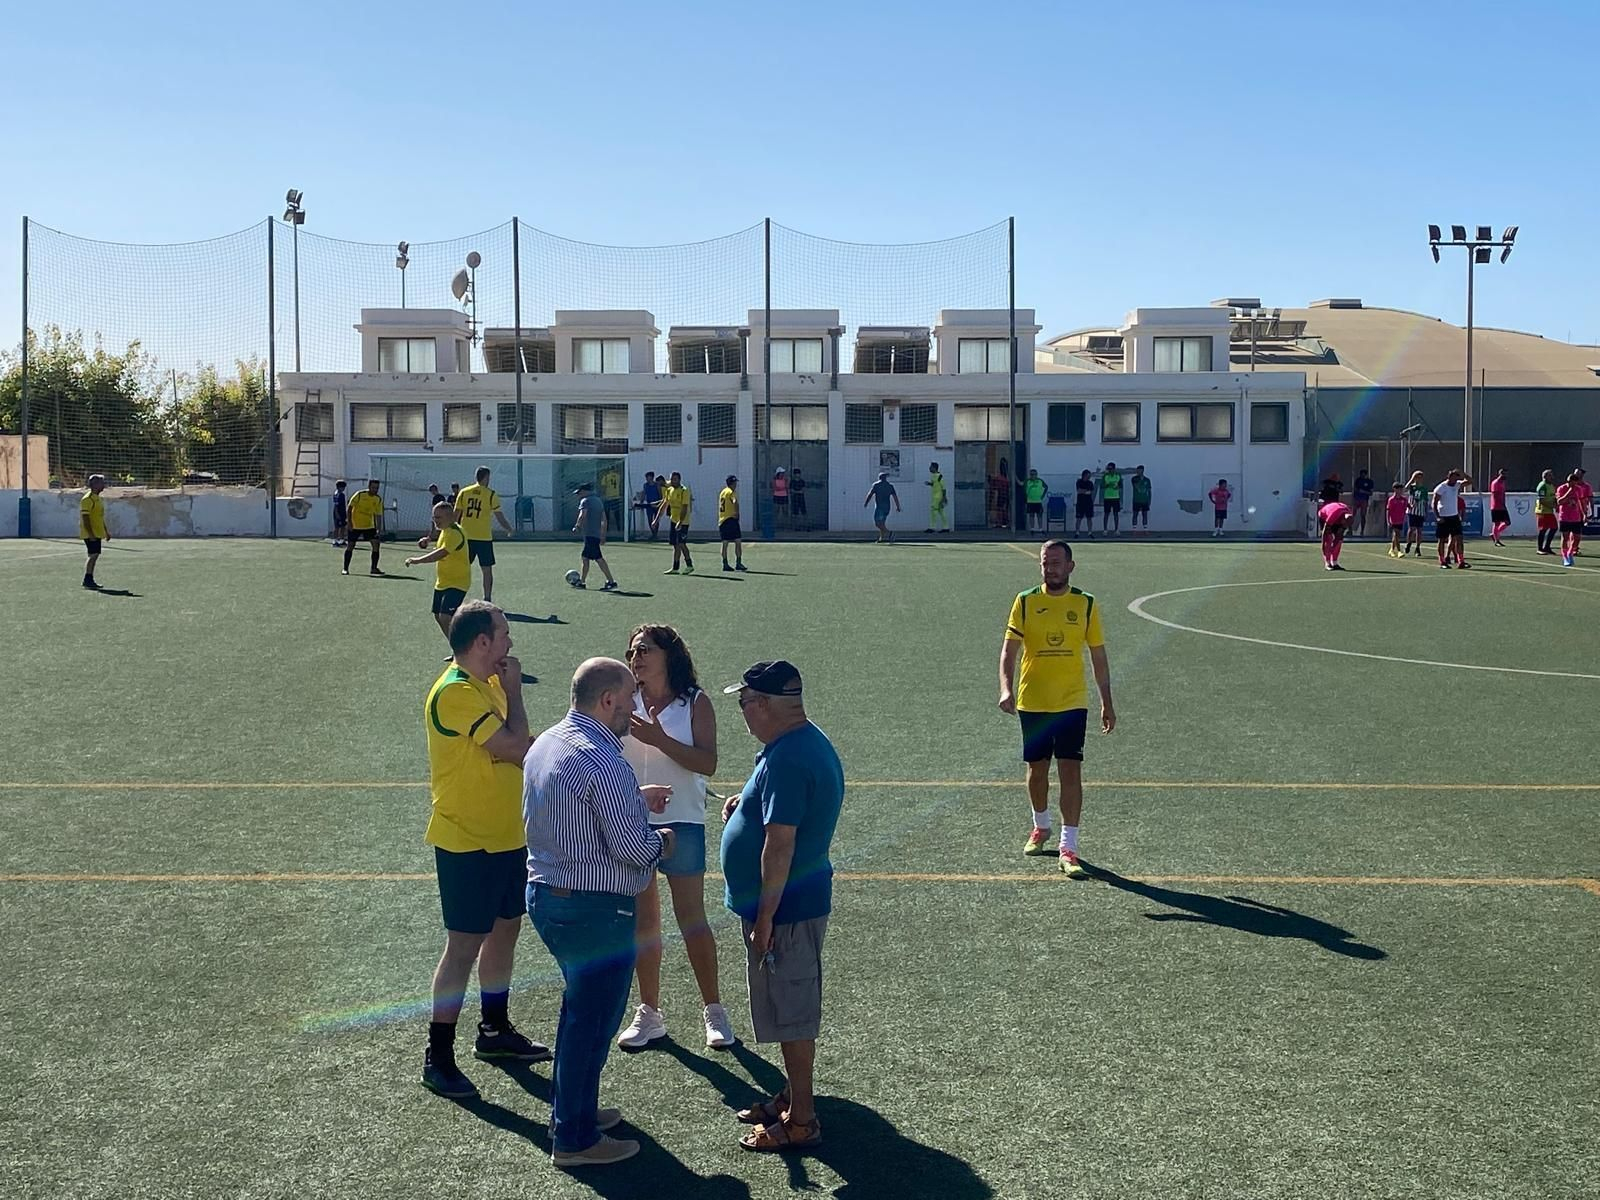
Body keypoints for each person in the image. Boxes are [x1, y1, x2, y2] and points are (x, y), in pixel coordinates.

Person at [524, 658, 676, 1169]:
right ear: (607, 699)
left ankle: (573, 1112)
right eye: (629, 696)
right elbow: (634, 850)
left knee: (577, 1014)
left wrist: (631, 800)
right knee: (592, 1023)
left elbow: (574, 807)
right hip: (596, 910)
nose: (634, 705)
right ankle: (575, 1138)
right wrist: (664, 841)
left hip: (548, 898)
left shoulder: (548, 742)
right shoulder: (605, 759)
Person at [420, 601, 547, 1102]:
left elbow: (521, 743)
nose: (511, 644)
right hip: (467, 841)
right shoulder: (454, 693)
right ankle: (438, 1057)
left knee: (505, 932)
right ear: (481, 644)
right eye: (505, 635)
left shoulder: (484, 684)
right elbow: (516, 747)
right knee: (463, 948)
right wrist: (516, 693)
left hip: (506, 836)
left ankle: (494, 1031)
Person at [718, 660, 843, 1154]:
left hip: (787, 912)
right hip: (792, 907)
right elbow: (776, 813)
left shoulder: (789, 758)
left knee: (792, 1013)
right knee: (789, 1006)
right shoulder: (797, 743)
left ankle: (802, 1121)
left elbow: (781, 844)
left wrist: (766, 917)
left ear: (765, 705)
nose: (743, 712)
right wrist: (745, 807)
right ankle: (793, 1095)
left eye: (744, 702)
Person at [616, 624, 734, 1051]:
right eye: (632, 651)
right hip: (631, 824)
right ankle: (649, 1014)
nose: (637, 657)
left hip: (682, 823)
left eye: (645, 649)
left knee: (692, 920)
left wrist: (658, 739)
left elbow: (707, 762)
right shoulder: (621, 701)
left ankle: (714, 1011)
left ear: (670, 655)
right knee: (644, 924)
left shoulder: (695, 703)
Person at [999, 541, 1115, 878]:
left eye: (1056, 563)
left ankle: (1069, 846)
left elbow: (1098, 657)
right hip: (1032, 700)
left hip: (1071, 702)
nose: (1050, 569)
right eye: (1045, 563)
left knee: (1070, 771)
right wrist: (1006, 687)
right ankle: (1041, 825)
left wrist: (1106, 700)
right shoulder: (1025, 601)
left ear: (1070, 566)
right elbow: (1009, 652)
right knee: (1036, 771)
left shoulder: (1086, 604)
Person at [406, 501, 472, 642]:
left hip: (458, 582)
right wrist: (427, 543)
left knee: (445, 616)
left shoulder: (455, 532)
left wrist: (418, 560)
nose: (435, 521)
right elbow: (443, 549)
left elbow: (442, 553)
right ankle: (457, 646)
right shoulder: (445, 531)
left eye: (439, 518)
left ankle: (463, 647)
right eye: (434, 517)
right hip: (443, 582)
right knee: (438, 615)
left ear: (450, 517)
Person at [455, 465, 513, 603]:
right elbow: (499, 516)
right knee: (486, 570)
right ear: (486, 477)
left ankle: (457, 597)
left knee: (462, 568)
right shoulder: (491, 494)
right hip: (483, 538)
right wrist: (509, 528)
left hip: (466, 537)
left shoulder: (464, 492)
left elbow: (455, 515)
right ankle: (487, 598)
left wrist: (453, 533)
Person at [571, 482, 618, 591]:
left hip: (589, 534)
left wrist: (577, 526)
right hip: (595, 534)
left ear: (584, 491)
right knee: (587, 558)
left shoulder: (585, 501)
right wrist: (603, 535)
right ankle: (582, 581)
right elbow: (604, 520)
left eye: (579, 493)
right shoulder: (598, 501)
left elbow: (582, 515)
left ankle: (611, 582)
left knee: (596, 558)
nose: (578, 495)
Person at [1432, 468, 1472, 570]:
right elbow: (1434, 503)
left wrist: (1464, 474)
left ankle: (1461, 561)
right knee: (1442, 539)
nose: (1455, 480)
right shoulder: (1441, 487)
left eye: (1457, 478)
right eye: (1454, 478)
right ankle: (1442, 561)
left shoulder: (1457, 484)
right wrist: (1437, 517)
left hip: (1454, 516)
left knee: (1459, 538)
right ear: (1449, 477)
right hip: (1444, 517)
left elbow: (1470, 482)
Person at [344, 479, 384, 575]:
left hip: (369, 526)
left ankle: (373, 568)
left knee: (376, 545)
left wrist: (378, 528)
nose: (375, 490)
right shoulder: (359, 495)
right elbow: (349, 508)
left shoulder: (378, 499)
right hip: (355, 525)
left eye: (377, 488)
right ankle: (345, 568)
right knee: (351, 546)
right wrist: (349, 522)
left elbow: (378, 515)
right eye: (373, 487)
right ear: (369, 486)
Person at [660, 470, 695, 575]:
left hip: (683, 522)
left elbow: (684, 507)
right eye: (671, 479)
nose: (673, 481)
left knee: (682, 544)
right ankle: (675, 567)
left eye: (675, 479)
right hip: (673, 520)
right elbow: (665, 504)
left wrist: (680, 521)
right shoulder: (669, 490)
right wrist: (657, 519)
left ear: (679, 480)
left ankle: (689, 565)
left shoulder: (684, 490)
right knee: (675, 545)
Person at [79, 474, 109, 590]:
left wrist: (106, 531)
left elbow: (99, 516)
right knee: (93, 555)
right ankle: (88, 579)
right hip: (90, 533)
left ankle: (89, 578)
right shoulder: (87, 499)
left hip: (97, 532)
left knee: (94, 555)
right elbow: (85, 518)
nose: (104, 485)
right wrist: (90, 534)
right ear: (95, 485)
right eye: (101, 482)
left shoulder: (97, 498)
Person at [1557, 471, 1585, 567]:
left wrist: (1584, 514)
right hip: (1564, 517)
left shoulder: (1579, 489)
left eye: (1572, 482)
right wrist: (1568, 493)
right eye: (1569, 482)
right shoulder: (1561, 488)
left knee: (1577, 538)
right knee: (1565, 537)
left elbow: (1581, 502)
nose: (1570, 484)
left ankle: (1570, 552)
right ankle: (1565, 556)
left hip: (1575, 517)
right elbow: (1559, 502)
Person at [719, 475, 747, 572]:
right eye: (734, 483)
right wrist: (737, 513)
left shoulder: (723, 492)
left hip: (722, 520)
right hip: (731, 519)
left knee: (725, 543)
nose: (735, 485)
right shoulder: (731, 492)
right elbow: (735, 501)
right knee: (738, 541)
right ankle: (738, 563)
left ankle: (725, 563)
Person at [865, 471, 899, 543]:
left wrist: (866, 502)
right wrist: (898, 506)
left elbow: (870, 494)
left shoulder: (876, 485)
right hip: (887, 507)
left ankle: (890, 533)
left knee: (877, 523)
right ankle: (881, 538)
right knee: (882, 523)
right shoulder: (890, 486)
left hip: (880, 507)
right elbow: (895, 497)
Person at [1318, 500, 1353, 570]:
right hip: (1324, 516)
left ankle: (1334, 562)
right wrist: (1324, 546)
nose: (1345, 526)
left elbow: (1340, 535)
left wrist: (1335, 545)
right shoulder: (1334, 514)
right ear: (1343, 519)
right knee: (1329, 538)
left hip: (1338, 520)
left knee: (1339, 541)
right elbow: (1325, 533)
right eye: (1345, 524)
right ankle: (1327, 563)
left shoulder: (1349, 514)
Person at [1533, 468, 1559, 555]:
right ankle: (1540, 548)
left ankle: (1547, 547)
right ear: (1545, 477)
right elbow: (1542, 500)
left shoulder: (1551, 486)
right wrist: (1552, 506)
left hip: (1549, 511)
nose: (1552, 477)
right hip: (1542, 511)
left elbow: (1554, 497)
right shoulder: (1542, 486)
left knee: (1554, 527)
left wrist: (1556, 504)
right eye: (1550, 476)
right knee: (1543, 529)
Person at [1404, 470, 1429, 557]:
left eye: (1420, 477)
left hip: (1420, 511)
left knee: (1419, 530)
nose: (1419, 479)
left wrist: (1426, 512)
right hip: (1412, 511)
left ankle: (1418, 548)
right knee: (1411, 529)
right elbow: (1404, 489)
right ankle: (1408, 543)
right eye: (1417, 477)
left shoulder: (1424, 489)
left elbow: (1425, 502)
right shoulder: (1412, 487)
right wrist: (1411, 479)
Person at [1385, 483, 1409, 557]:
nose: (1400, 491)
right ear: (1395, 489)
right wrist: (1388, 520)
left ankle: (1392, 550)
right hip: (1393, 520)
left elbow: (1407, 506)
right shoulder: (1391, 500)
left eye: (1401, 489)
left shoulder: (1404, 499)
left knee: (1396, 536)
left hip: (1400, 520)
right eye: (1399, 489)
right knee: (1396, 534)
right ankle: (1399, 551)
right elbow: (1388, 510)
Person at [1488, 468, 1511, 546]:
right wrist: (1501, 504)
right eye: (1504, 474)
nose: (1505, 476)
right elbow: (1495, 495)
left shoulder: (1502, 483)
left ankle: (1495, 534)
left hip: (1502, 506)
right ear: (1500, 474)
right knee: (1497, 523)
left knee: (1507, 522)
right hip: (1496, 506)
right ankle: (1496, 540)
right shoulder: (1495, 483)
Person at [1573, 467, 1592, 555]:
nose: (1576, 475)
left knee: (1577, 531)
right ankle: (1571, 547)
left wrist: (1589, 511)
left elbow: (1590, 499)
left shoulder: (1586, 486)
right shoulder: (1570, 485)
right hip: (1570, 511)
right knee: (1569, 531)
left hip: (1581, 511)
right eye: (1575, 473)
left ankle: (1575, 547)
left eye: (1578, 473)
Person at [600, 462, 625, 532]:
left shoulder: (606, 477)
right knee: (617, 514)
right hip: (616, 497)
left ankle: (606, 529)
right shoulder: (618, 476)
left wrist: (603, 495)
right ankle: (619, 528)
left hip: (608, 497)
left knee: (606, 514)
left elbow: (603, 487)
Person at [1099, 462, 1123, 536]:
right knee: (1106, 514)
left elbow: (1121, 485)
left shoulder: (1118, 475)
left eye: (1111, 469)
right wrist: (1106, 485)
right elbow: (1102, 486)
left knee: (1116, 514)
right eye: (1108, 469)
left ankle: (1116, 530)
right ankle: (1105, 530)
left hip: (1116, 497)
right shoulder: (1105, 476)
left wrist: (1117, 487)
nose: (1109, 470)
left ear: (1114, 469)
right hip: (1107, 497)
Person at [925, 462, 949, 533]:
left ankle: (932, 527)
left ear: (934, 468)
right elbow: (935, 484)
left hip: (938, 497)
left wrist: (944, 498)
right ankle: (946, 527)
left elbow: (944, 488)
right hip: (935, 496)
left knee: (933, 512)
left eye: (931, 467)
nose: (929, 468)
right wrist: (930, 484)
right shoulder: (933, 476)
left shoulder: (940, 476)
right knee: (941, 512)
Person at [1351, 469, 1376, 536]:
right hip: (1357, 499)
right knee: (1352, 514)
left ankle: (1362, 530)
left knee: (1363, 515)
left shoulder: (1369, 482)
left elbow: (1371, 492)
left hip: (1364, 500)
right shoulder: (1358, 480)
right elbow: (1355, 489)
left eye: (1364, 474)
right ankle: (1350, 529)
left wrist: (1363, 491)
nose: (1362, 475)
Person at [1023, 469, 1048, 535]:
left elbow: (1046, 487)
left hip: (1038, 501)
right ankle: (1032, 529)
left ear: (1036, 475)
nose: (1033, 476)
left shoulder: (1040, 481)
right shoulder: (1027, 481)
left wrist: (1042, 496)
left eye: (1034, 474)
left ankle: (1040, 529)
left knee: (1039, 515)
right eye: (1031, 474)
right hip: (1030, 501)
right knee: (1031, 515)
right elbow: (1021, 484)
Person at [641, 471, 664, 540]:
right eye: (646, 477)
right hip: (649, 505)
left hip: (656, 505)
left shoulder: (657, 485)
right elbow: (644, 494)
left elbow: (660, 495)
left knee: (656, 519)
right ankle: (653, 533)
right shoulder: (645, 485)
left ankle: (655, 534)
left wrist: (660, 504)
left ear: (652, 477)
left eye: (648, 477)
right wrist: (641, 502)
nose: (647, 479)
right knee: (650, 519)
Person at [1073, 470, 1095, 537]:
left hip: (1089, 503)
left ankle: (1090, 532)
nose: (1089, 476)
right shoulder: (1079, 482)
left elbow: (1091, 492)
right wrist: (1086, 491)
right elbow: (1079, 491)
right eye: (1088, 475)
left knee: (1089, 518)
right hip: (1080, 503)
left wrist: (1084, 491)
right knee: (1079, 518)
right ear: (1085, 475)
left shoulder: (1090, 483)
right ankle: (1077, 532)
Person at [1130, 466, 1152, 532]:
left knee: (1145, 514)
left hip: (1145, 500)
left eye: (1139, 470)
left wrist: (1149, 500)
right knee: (1135, 514)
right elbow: (1137, 487)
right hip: (1136, 500)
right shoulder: (1134, 479)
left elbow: (1149, 491)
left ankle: (1145, 529)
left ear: (1142, 470)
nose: (1138, 471)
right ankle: (1134, 529)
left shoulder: (1147, 480)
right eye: (1137, 470)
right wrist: (1140, 479)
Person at [331, 479, 349, 548]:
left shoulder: (338, 494)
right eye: (343, 487)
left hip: (341, 512)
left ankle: (340, 540)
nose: (344, 488)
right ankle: (336, 541)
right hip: (339, 512)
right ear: (339, 487)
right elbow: (336, 505)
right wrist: (337, 514)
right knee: (338, 527)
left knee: (342, 527)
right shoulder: (339, 495)